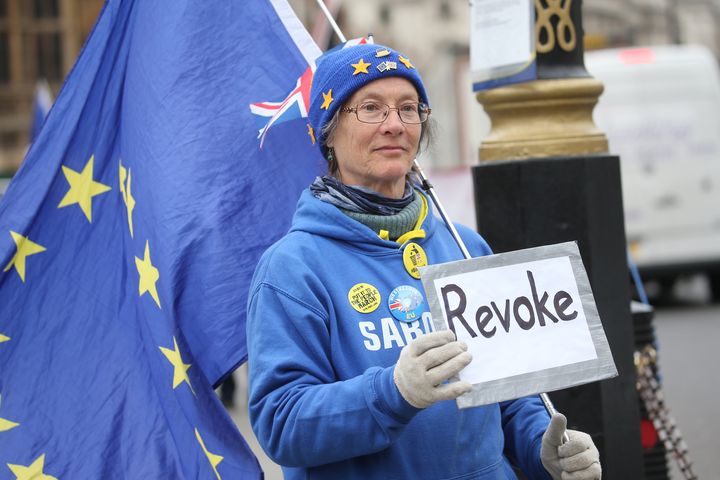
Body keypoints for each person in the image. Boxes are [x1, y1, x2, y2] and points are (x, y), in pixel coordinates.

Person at [246, 42, 602, 480]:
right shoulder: (291, 269)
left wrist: (542, 448)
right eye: (371, 108)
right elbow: (280, 424)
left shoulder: (465, 243)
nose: (394, 124)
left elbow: (509, 394)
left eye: (408, 108)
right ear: (329, 133)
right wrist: (391, 393)